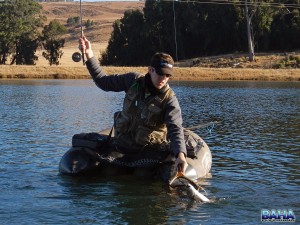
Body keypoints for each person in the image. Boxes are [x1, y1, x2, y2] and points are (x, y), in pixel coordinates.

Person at [79, 36, 188, 177]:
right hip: (122, 146)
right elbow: (103, 82)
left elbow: (175, 128)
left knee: (141, 175)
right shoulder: (133, 81)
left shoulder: (170, 99)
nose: (164, 79)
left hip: (148, 151)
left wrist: (181, 154)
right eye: (161, 73)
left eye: (168, 75)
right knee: (110, 171)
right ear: (150, 70)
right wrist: (89, 55)